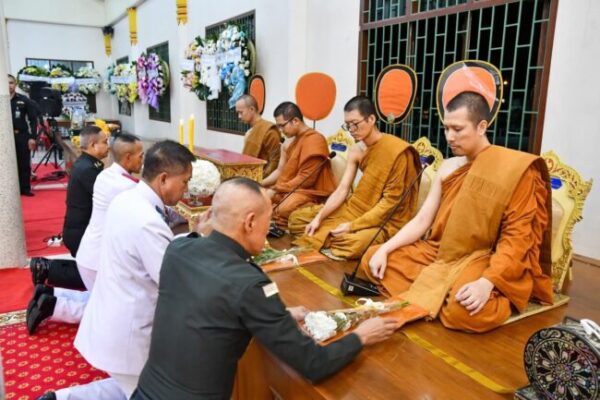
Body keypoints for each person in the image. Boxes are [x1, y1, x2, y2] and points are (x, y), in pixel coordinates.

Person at [131, 177, 399, 400]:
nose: (268, 229)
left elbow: (209, 302)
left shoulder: (179, 249)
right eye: (267, 221)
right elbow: (312, 363)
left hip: (145, 392)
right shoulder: (249, 284)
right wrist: (361, 336)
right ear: (249, 222)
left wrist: (273, 315)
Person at [359, 91, 554, 333]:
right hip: (439, 253)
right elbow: (423, 220)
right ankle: (441, 294)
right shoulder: (448, 166)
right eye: (446, 128)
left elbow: (517, 239)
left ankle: (467, 294)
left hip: (481, 257)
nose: (449, 137)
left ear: (481, 126)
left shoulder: (514, 171)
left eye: (458, 129)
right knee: (371, 258)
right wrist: (386, 249)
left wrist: (487, 282)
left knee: (461, 313)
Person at [65, 140, 197, 400]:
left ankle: (59, 398)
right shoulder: (147, 221)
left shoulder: (128, 199)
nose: (187, 189)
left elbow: (155, 248)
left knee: (133, 389)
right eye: (185, 182)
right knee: (149, 392)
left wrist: (196, 235)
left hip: (113, 315)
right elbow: (172, 281)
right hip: (128, 331)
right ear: (163, 179)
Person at [26, 134, 144, 334]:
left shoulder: (107, 175)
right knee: (113, 311)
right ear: (127, 157)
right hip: (97, 256)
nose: (143, 160)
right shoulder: (124, 185)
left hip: (89, 250)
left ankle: (51, 293)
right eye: (141, 156)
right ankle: (53, 307)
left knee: (100, 296)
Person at [289, 96, 421, 259]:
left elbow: (389, 204)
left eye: (355, 124)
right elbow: (343, 189)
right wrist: (318, 218)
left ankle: (339, 237)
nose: (351, 129)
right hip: (353, 208)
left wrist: (352, 226)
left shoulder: (397, 152)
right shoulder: (357, 150)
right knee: (297, 219)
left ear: (371, 119)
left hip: (383, 219)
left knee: (351, 243)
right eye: (347, 125)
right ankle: (331, 234)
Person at [264, 101, 336, 228]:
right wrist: (261, 184)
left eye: (282, 126)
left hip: (309, 191)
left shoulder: (314, 140)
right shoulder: (292, 141)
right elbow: (280, 171)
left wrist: (276, 189)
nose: (280, 131)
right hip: (290, 188)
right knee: (261, 197)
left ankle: (318, 208)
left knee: (284, 208)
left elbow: (306, 179)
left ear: (295, 121)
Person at [62, 125, 109, 256]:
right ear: (93, 145)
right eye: (105, 142)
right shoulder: (88, 169)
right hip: (82, 233)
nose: (108, 146)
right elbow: (106, 198)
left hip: (80, 230)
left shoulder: (86, 163)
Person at [235, 94, 281, 177]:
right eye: (237, 113)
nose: (239, 116)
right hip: (248, 176)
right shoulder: (250, 131)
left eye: (241, 112)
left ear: (252, 109)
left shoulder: (269, 131)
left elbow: (275, 161)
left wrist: (261, 179)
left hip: (263, 178)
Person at [8, 74, 38, 196]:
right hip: (4, 137)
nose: (9, 85)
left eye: (11, 82)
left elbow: (33, 120)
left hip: (20, 135)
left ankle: (24, 188)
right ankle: (9, 189)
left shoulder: (23, 100)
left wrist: (32, 137)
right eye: (6, 83)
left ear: (15, 84)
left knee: (24, 163)